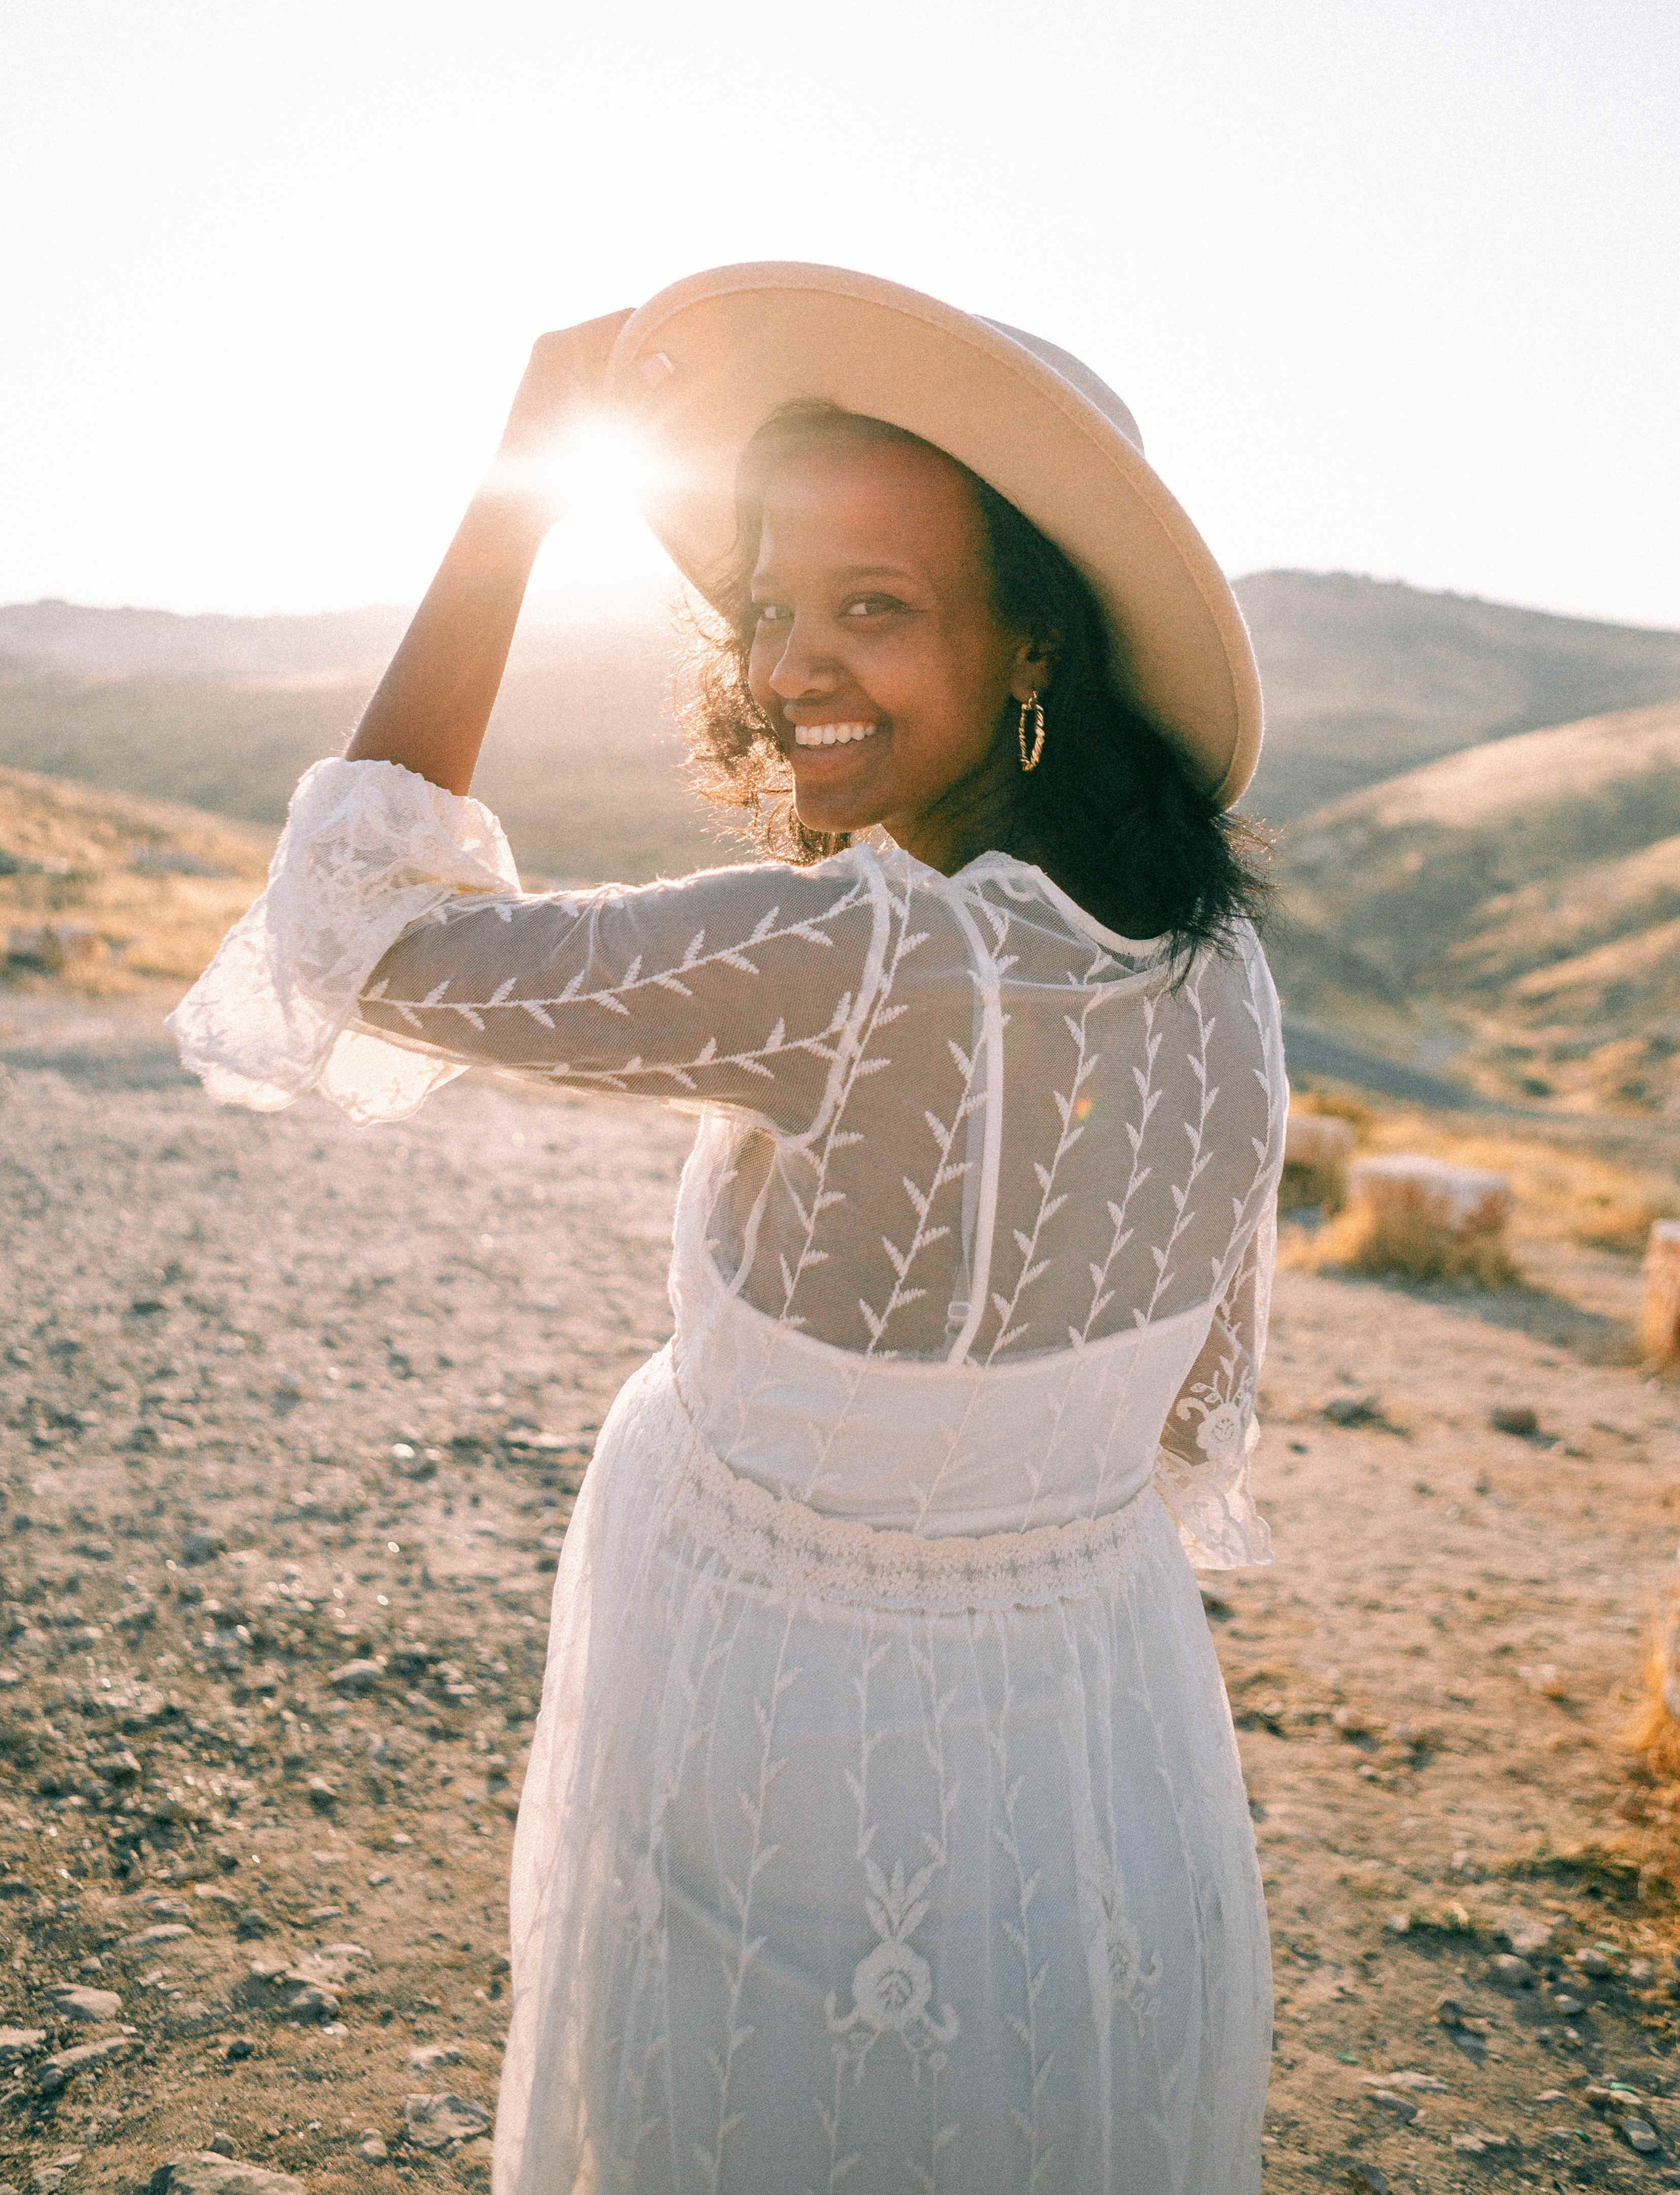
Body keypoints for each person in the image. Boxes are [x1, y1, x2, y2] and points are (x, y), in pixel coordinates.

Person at [170, 262, 1285, 2195]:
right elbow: (1190, 1411)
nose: (790, 670)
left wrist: (520, 485)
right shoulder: (1229, 971)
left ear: (1035, 641)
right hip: (1101, 1743)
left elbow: (342, 941)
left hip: (778, 1721)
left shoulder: (842, 954)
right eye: (773, 610)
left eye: (876, 607)